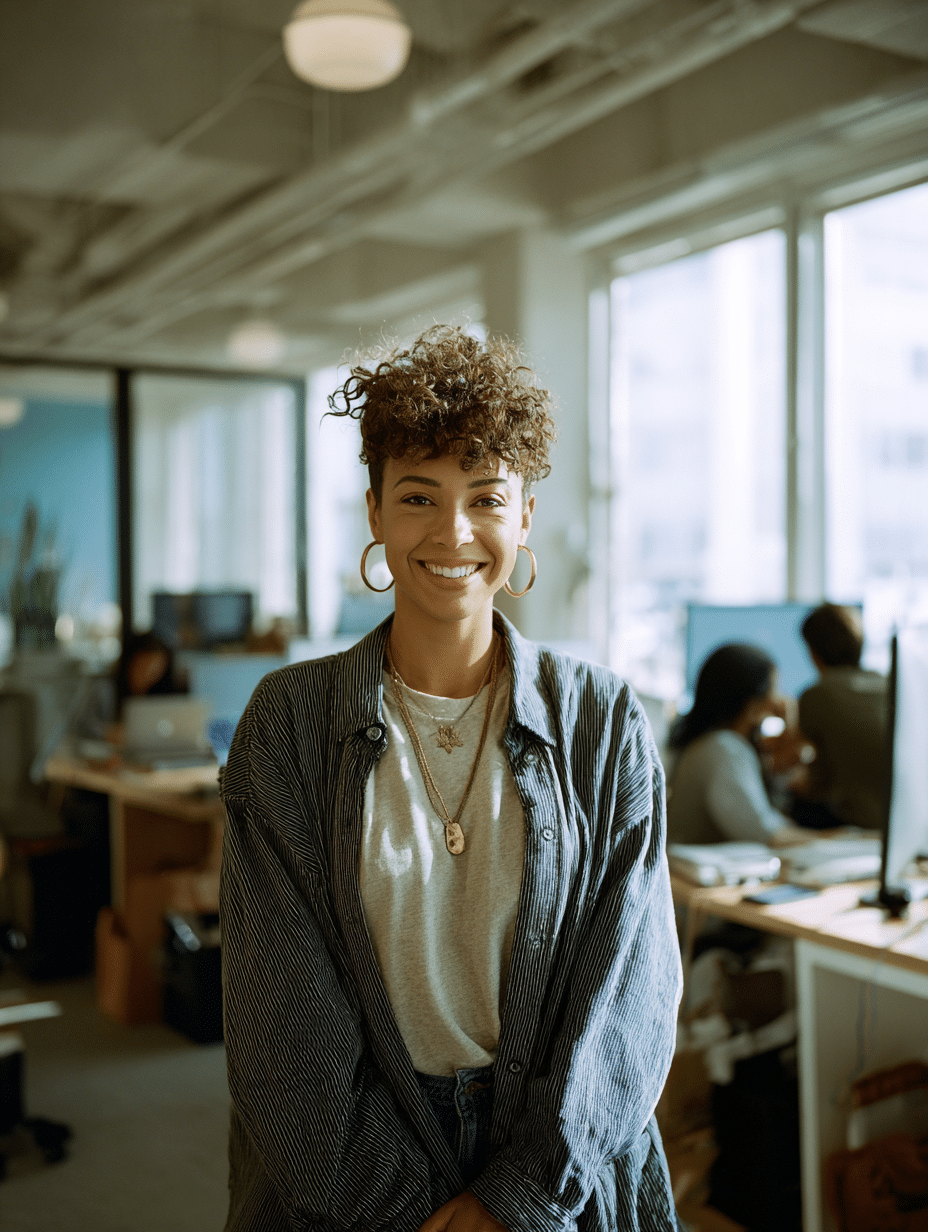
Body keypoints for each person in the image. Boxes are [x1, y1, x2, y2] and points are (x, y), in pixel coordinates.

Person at [219, 325, 682, 1232]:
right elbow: (280, 1020)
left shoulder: (604, 721)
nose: (453, 532)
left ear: (524, 519)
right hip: (346, 1172)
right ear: (375, 514)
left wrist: (516, 1202)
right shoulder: (289, 722)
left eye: (485, 498)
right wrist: (403, 1212)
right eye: (419, 496)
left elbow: (630, 1000)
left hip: (557, 1164)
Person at [667, 643, 800, 846]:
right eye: (774, 689)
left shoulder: (709, 744)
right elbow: (764, 833)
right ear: (753, 705)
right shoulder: (722, 748)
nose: (779, 700)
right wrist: (837, 840)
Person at [791, 603, 887, 831]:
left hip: (857, 823)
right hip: (904, 820)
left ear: (814, 652)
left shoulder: (817, 694)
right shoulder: (889, 683)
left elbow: (790, 759)